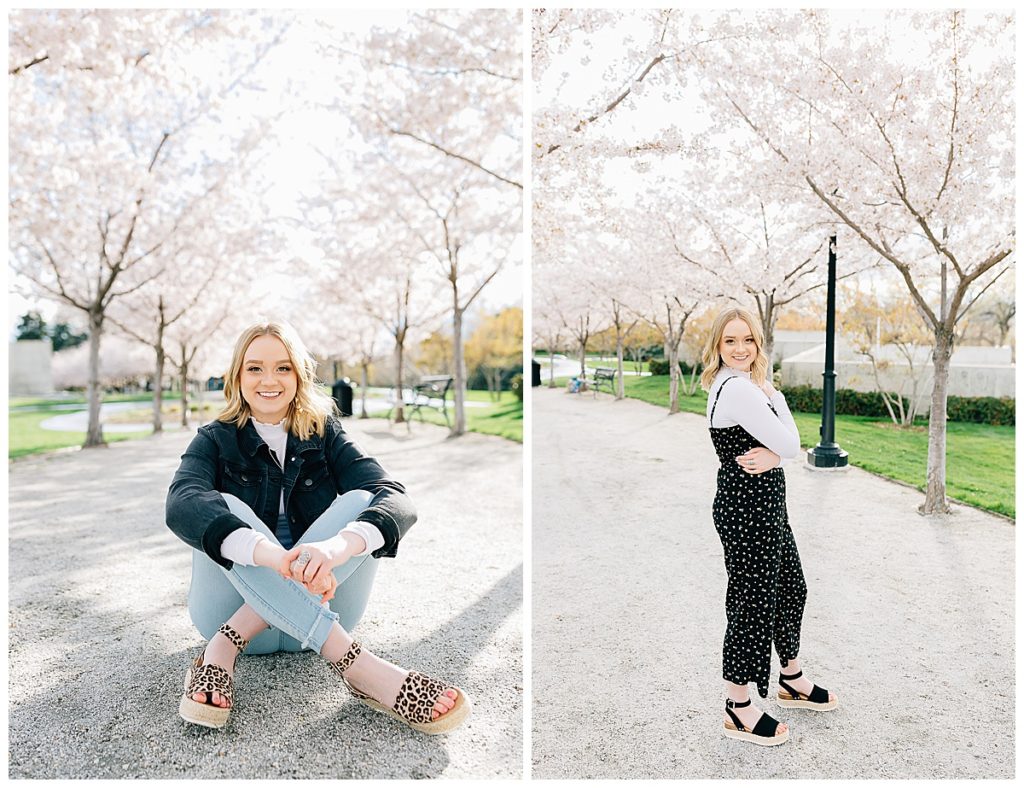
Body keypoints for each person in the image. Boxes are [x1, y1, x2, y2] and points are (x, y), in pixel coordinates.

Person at [165, 320, 470, 734]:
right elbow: (181, 503)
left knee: (362, 500)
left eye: (283, 367)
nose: (268, 380)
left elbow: (396, 499)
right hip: (232, 611)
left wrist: (333, 550)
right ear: (237, 376)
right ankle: (356, 666)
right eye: (254, 368)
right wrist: (272, 556)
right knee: (225, 503)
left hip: (318, 608)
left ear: (299, 375)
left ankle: (222, 646)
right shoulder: (215, 440)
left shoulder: (326, 434)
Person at [700, 307, 836, 747]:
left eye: (748, 340)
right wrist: (775, 401)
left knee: (791, 587)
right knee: (751, 600)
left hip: (764, 506)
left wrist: (776, 454)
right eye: (730, 342)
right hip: (748, 508)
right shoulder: (740, 390)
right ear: (717, 348)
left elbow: (781, 448)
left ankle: (791, 678)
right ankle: (737, 705)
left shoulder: (742, 386)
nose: (741, 349)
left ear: (759, 343)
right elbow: (793, 443)